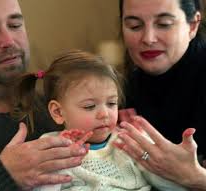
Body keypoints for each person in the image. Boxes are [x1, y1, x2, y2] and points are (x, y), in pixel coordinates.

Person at [0, 0, 89, 190]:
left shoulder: (60, 108)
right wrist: (4, 175)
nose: (9, 41)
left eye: (15, 25)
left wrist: (141, 153)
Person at [13, 49, 188, 190]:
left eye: (111, 103)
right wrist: (60, 161)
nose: (104, 114)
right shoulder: (52, 148)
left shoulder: (129, 142)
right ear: (58, 112)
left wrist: (153, 153)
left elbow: (169, 185)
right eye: (90, 106)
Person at [115, 0, 206, 190]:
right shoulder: (120, 90)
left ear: (193, 25)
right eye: (134, 26)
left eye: (164, 24)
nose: (148, 38)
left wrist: (194, 177)